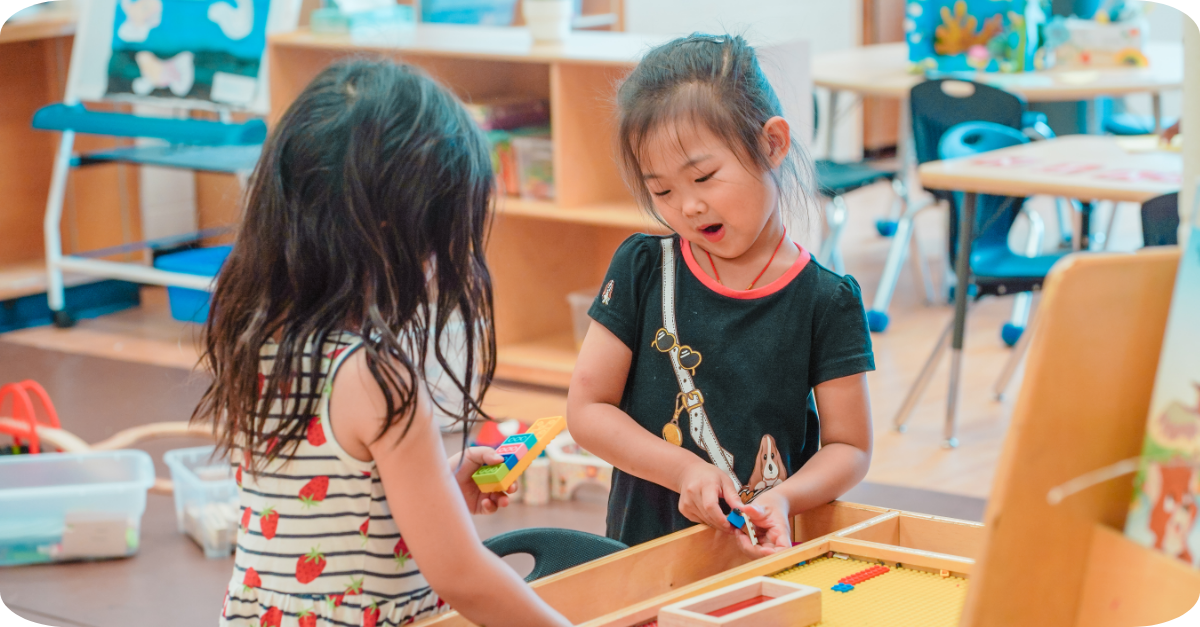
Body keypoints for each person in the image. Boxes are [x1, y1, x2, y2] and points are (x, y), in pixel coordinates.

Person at [193, 59, 570, 627]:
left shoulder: (255, 329)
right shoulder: (379, 377)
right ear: (397, 231)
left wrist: (438, 487)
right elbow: (462, 574)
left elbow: (323, 500)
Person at [567, 34, 875, 557]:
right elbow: (588, 409)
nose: (686, 206)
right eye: (661, 191)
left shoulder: (827, 300)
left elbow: (850, 448)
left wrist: (784, 499)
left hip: (759, 556)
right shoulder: (644, 268)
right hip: (644, 555)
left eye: (704, 177)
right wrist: (684, 468)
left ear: (772, 144)